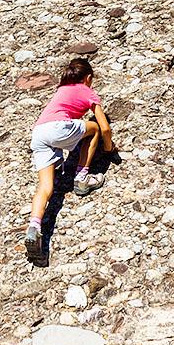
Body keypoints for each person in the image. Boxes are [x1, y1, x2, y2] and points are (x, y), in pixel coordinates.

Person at [25, 58, 114, 265]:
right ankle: (82, 177)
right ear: (88, 78)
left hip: (39, 133)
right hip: (58, 129)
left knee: (45, 187)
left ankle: (34, 227)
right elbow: (105, 127)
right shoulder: (86, 90)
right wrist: (109, 149)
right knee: (94, 129)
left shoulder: (61, 90)